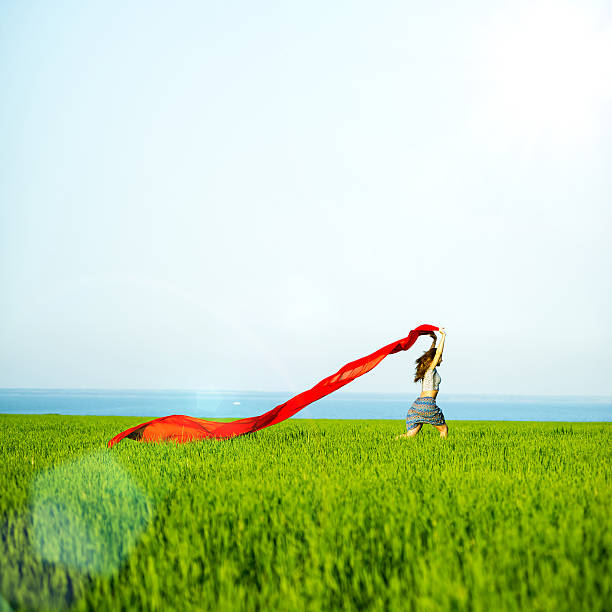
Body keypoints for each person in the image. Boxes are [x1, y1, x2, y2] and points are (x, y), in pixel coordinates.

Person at [396, 327, 448, 439]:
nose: (441, 360)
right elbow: (438, 353)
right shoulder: (430, 369)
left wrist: (434, 340)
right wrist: (443, 336)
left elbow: (433, 354)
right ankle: (442, 450)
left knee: (409, 435)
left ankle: (390, 442)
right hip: (428, 404)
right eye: (440, 358)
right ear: (434, 359)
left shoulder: (425, 369)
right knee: (443, 430)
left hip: (417, 405)